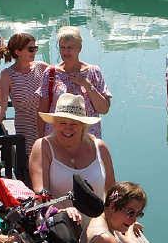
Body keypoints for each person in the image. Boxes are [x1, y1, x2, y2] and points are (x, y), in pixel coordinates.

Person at [30, 93, 115, 225]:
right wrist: (62, 211)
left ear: (83, 125)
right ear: (54, 124)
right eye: (62, 122)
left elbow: (112, 192)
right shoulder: (42, 146)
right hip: (60, 226)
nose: (67, 128)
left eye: (74, 123)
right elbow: (41, 194)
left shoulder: (100, 147)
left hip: (98, 226)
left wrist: (125, 215)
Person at [37, 26, 111, 139]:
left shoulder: (93, 72)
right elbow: (42, 110)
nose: (66, 52)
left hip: (87, 137)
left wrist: (87, 84)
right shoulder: (51, 73)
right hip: (57, 138)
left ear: (79, 48)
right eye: (62, 47)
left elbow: (104, 109)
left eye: (70, 47)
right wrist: (41, 140)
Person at [0, 32, 48, 154]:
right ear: (18, 52)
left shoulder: (42, 68)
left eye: (35, 48)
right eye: (31, 49)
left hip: (47, 127)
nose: (34, 52)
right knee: (29, 165)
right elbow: (0, 104)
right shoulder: (7, 75)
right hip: (26, 129)